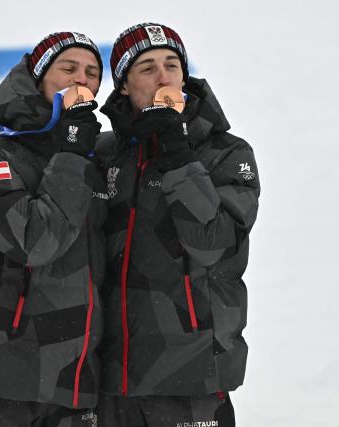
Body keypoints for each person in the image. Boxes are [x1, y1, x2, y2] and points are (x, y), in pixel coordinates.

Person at [0, 32, 107, 426]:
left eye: (92, 73)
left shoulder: (91, 160)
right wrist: (72, 153)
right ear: (38, 77)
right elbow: (36, 241)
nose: (81, 79)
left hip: (76, 383)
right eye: (68, 68)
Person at [94, 23, 260, 426]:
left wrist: (177, 153)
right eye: (147, 68)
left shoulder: (225, 152)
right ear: (123, 86)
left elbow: (213, 243)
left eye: (172, 64)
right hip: (107, 381)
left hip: (191, 380)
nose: (164, 76)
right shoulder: (101, 155)